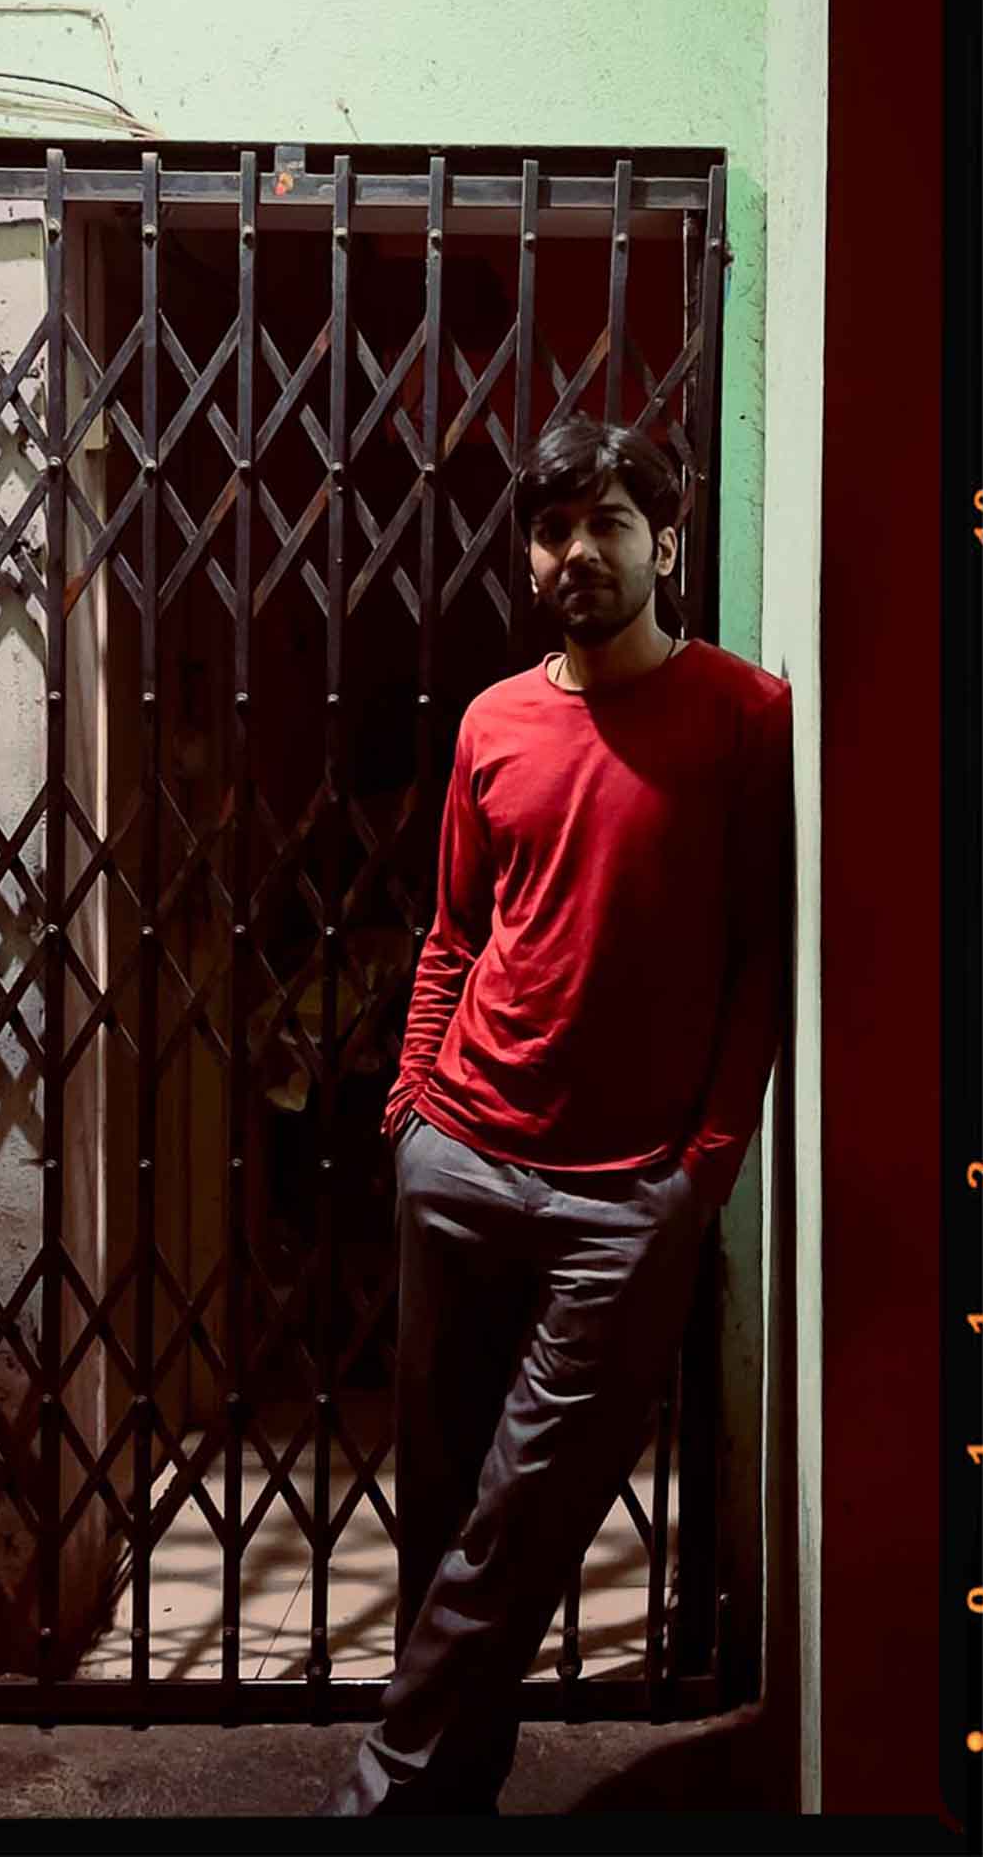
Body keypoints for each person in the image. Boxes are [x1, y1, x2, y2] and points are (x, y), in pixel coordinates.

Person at [314, 411, 794, 1816]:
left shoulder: (740, 717)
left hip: (623, 1197)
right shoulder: (493, 722)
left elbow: (762, 952)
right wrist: (411, 1110)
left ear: (665, 537)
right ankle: (451, 1789)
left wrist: (706, 1162)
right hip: (459, 1155)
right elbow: (455, 933)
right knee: (444, 1503)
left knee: (520, 1518)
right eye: (553, 529)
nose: (578, 552)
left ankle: (383, 1795)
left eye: (609, 525)